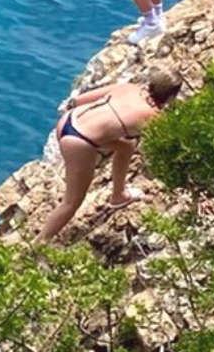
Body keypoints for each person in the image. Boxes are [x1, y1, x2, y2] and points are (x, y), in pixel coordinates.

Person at [41, 66, 183, 243]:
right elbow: (165, 144)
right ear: (170, 96)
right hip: (79, 142)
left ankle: (119, 195)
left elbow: (78, 100)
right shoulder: (152, 116)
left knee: (126, 147)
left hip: (68, 121)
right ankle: (37, 246)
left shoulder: (129, 88)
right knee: (71, 203)